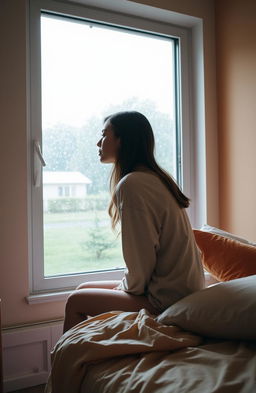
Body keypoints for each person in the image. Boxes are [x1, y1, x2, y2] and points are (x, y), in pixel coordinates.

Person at [63, 111, 205, 332]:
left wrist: (123, 288)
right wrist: (124, 287)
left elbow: (140, 267)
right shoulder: (153, 178)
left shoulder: (133, 184)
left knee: (76, 301)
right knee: (83, 288)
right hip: (178, 290)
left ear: (123, 140)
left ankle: (69, 364)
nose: (98, 142)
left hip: (167, 300)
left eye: (104, 135)